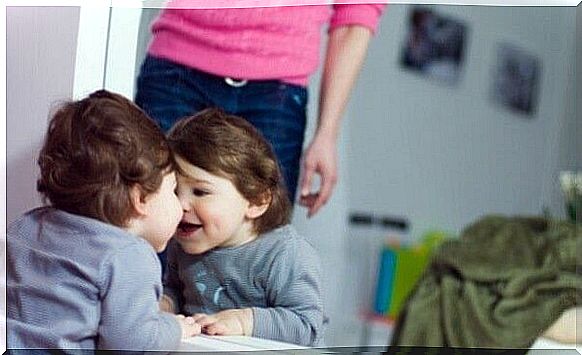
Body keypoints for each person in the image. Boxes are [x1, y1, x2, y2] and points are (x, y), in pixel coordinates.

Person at [135, 1, 386, 218]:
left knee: (260, 251)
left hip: (276, 96)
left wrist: (327, 133)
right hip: (177, 68)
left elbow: (357, 12)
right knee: (148, 216)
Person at [6, 90, 201, 351]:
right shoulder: (129, 255)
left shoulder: (24, 227)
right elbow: (132, 347)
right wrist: (173, 327)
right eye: (173, 190)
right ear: (140, 198)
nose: (182, 206)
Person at [161, 108, 325, 346]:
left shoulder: (284, 254)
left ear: (257, 201)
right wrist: (164, 304)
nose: (181, 204)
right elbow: (177, 291)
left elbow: (305, 325)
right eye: (174, 191)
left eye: (200, 192)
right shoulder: (185, 241)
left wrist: (243, 321)